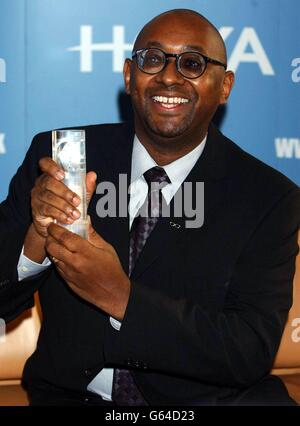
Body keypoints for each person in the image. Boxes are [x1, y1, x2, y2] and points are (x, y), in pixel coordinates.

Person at [0, 8, 299, 406]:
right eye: (152, 59)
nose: (169, 76)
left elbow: (247, 351)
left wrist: (120, 297)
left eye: (192, 63)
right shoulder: (62, 157)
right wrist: (35, 238)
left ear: (224, 86)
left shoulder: (269, 197)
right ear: (129, 76)